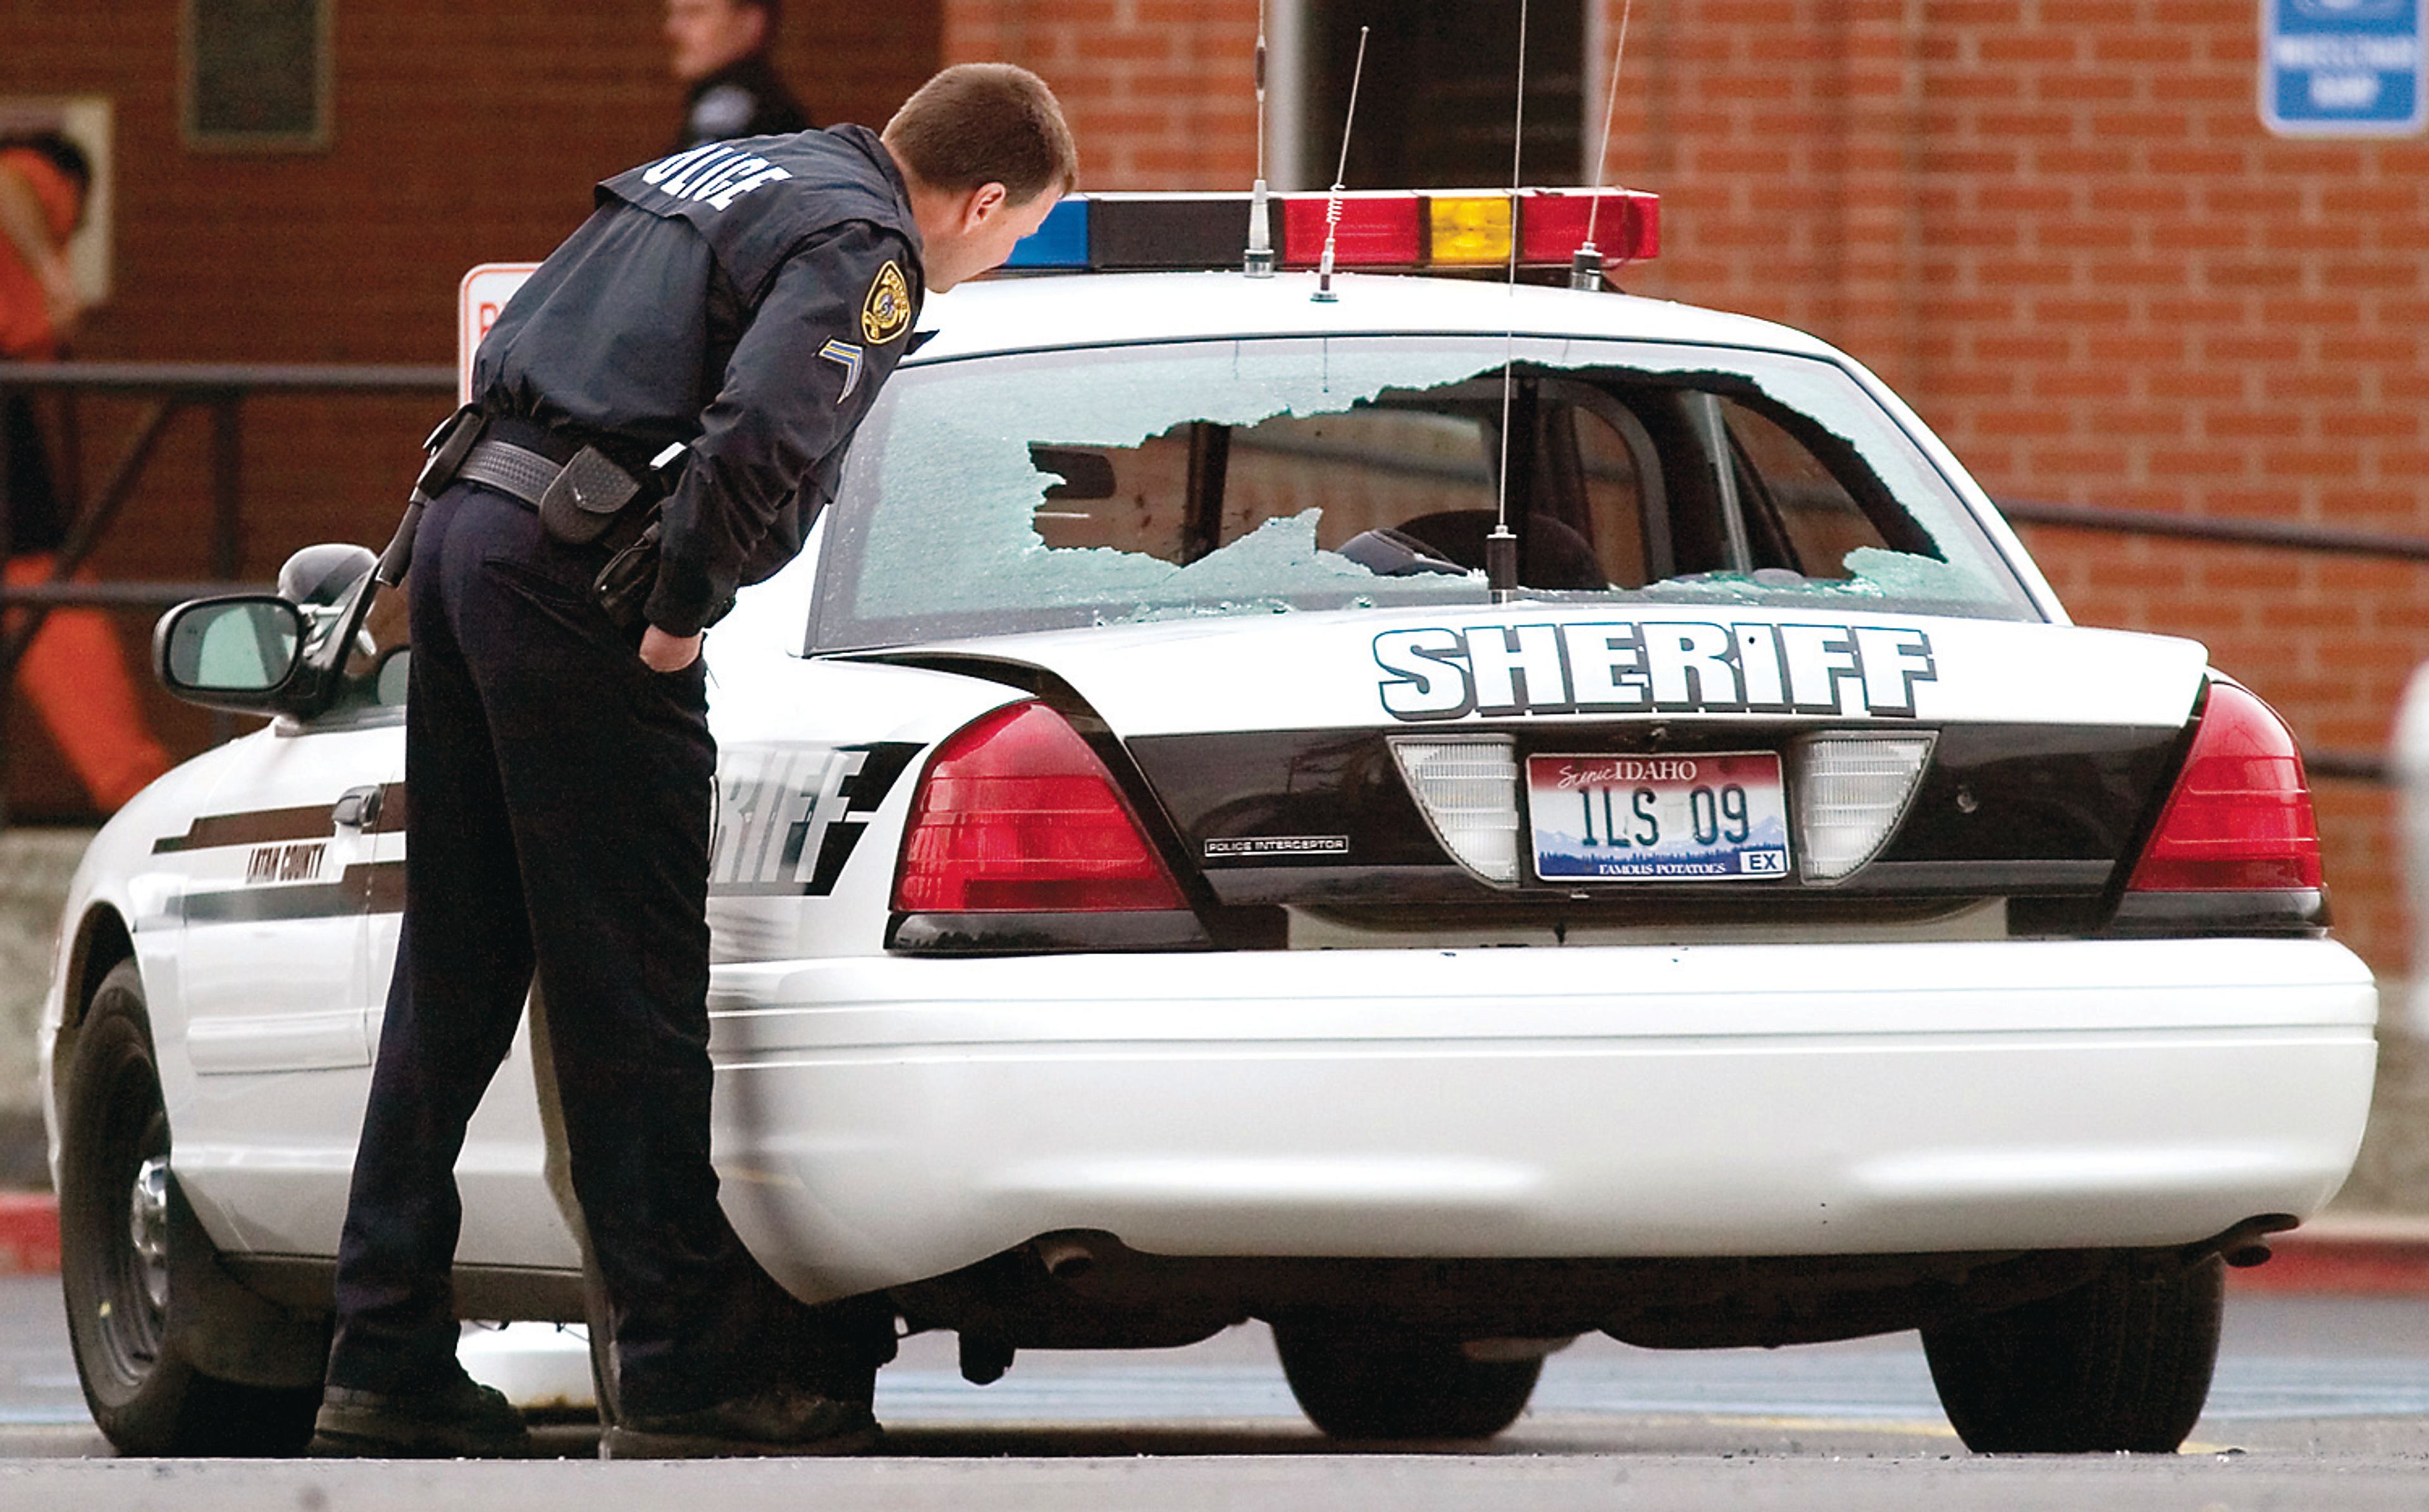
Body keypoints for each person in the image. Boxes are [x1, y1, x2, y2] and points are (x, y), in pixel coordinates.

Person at [307, 65, 1073, 1461]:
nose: (989, 262)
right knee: (633, 985)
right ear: (977, 197)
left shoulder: (728, 174)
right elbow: (766, 425)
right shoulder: (870, 246)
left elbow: (524, 337)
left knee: (461, 962)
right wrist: (680, 607)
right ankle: (681, 1373)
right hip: (581, 584)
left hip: (474, 537)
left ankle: (383, 1350)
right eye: (1010, 237)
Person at [0, 131, 172, 814]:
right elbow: (11, 183)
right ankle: (129, 781)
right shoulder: (36, 173)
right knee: (46, 580)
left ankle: (127, 779)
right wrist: (51, 272)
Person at [667, 0, 810, 148]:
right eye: (674, 14)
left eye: (695, 13)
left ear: (749, 22)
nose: (672, 29)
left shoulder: (734, 109)